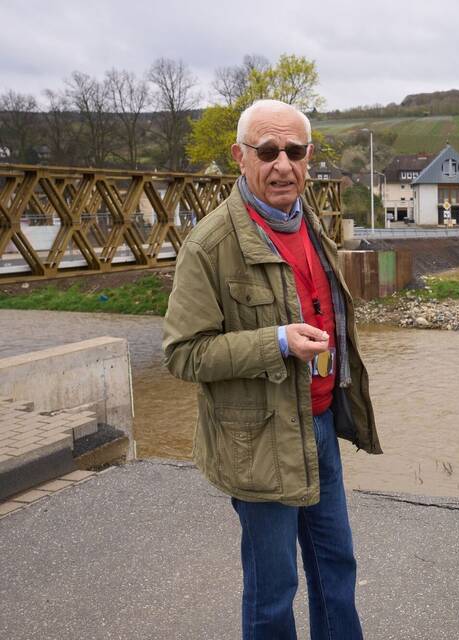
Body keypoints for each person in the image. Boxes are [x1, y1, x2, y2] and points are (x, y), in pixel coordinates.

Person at [162, 99, 381, 640]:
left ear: (309, 158)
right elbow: (184, 353)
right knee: (273, 591)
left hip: (321, 426)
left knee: (336, 573)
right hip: (258, 442)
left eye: (295, 151)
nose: (282, 164)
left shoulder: (311, 225)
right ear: (241, 157)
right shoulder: (209, 244)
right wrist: (278, 341)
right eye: (267, 151)